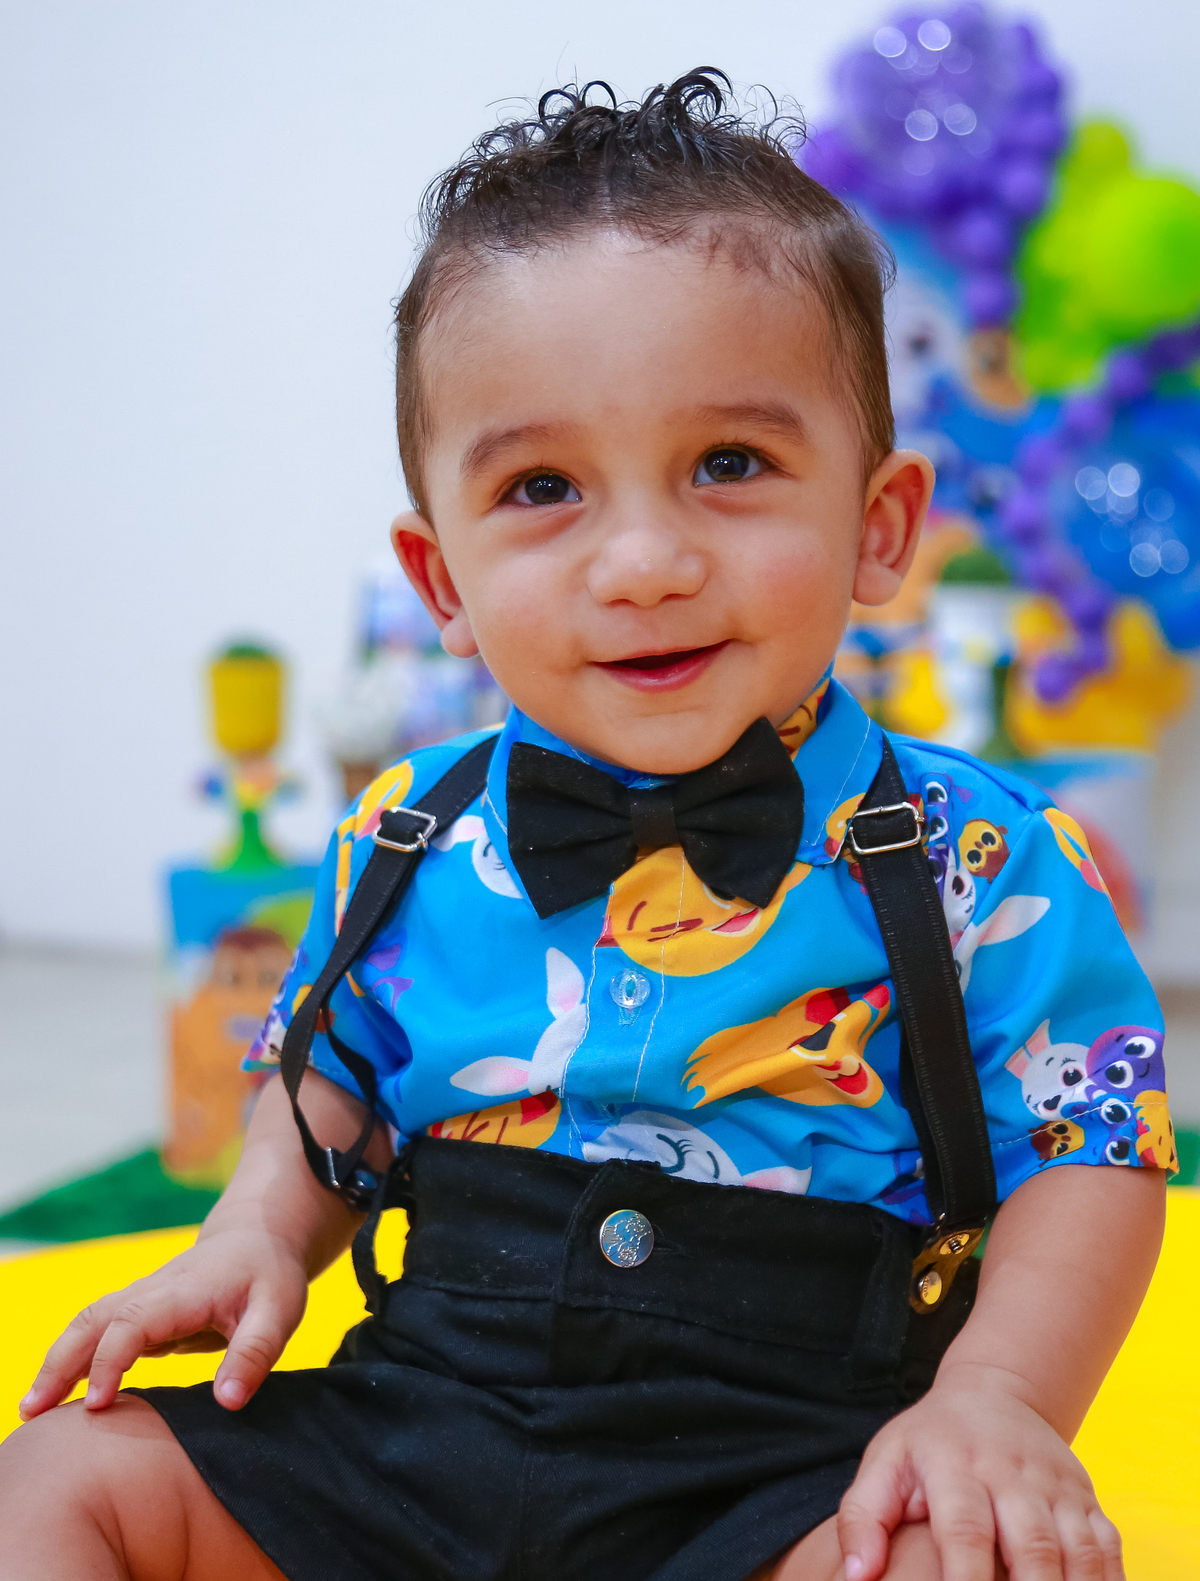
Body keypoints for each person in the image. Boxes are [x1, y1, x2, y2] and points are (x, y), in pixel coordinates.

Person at [0, 71, 1170, 1581]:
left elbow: (1092, 1145)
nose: (642, 561)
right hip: (416, 1432)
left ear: (879, 527)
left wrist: (997, 1397)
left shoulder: (979, 853)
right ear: (443, 580)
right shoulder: (405, 833)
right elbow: (331, 1077)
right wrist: (257, 1235)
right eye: (544, 486)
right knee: (60, 1479)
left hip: (788, 1471)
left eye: (730, 466)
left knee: (975, 1557)